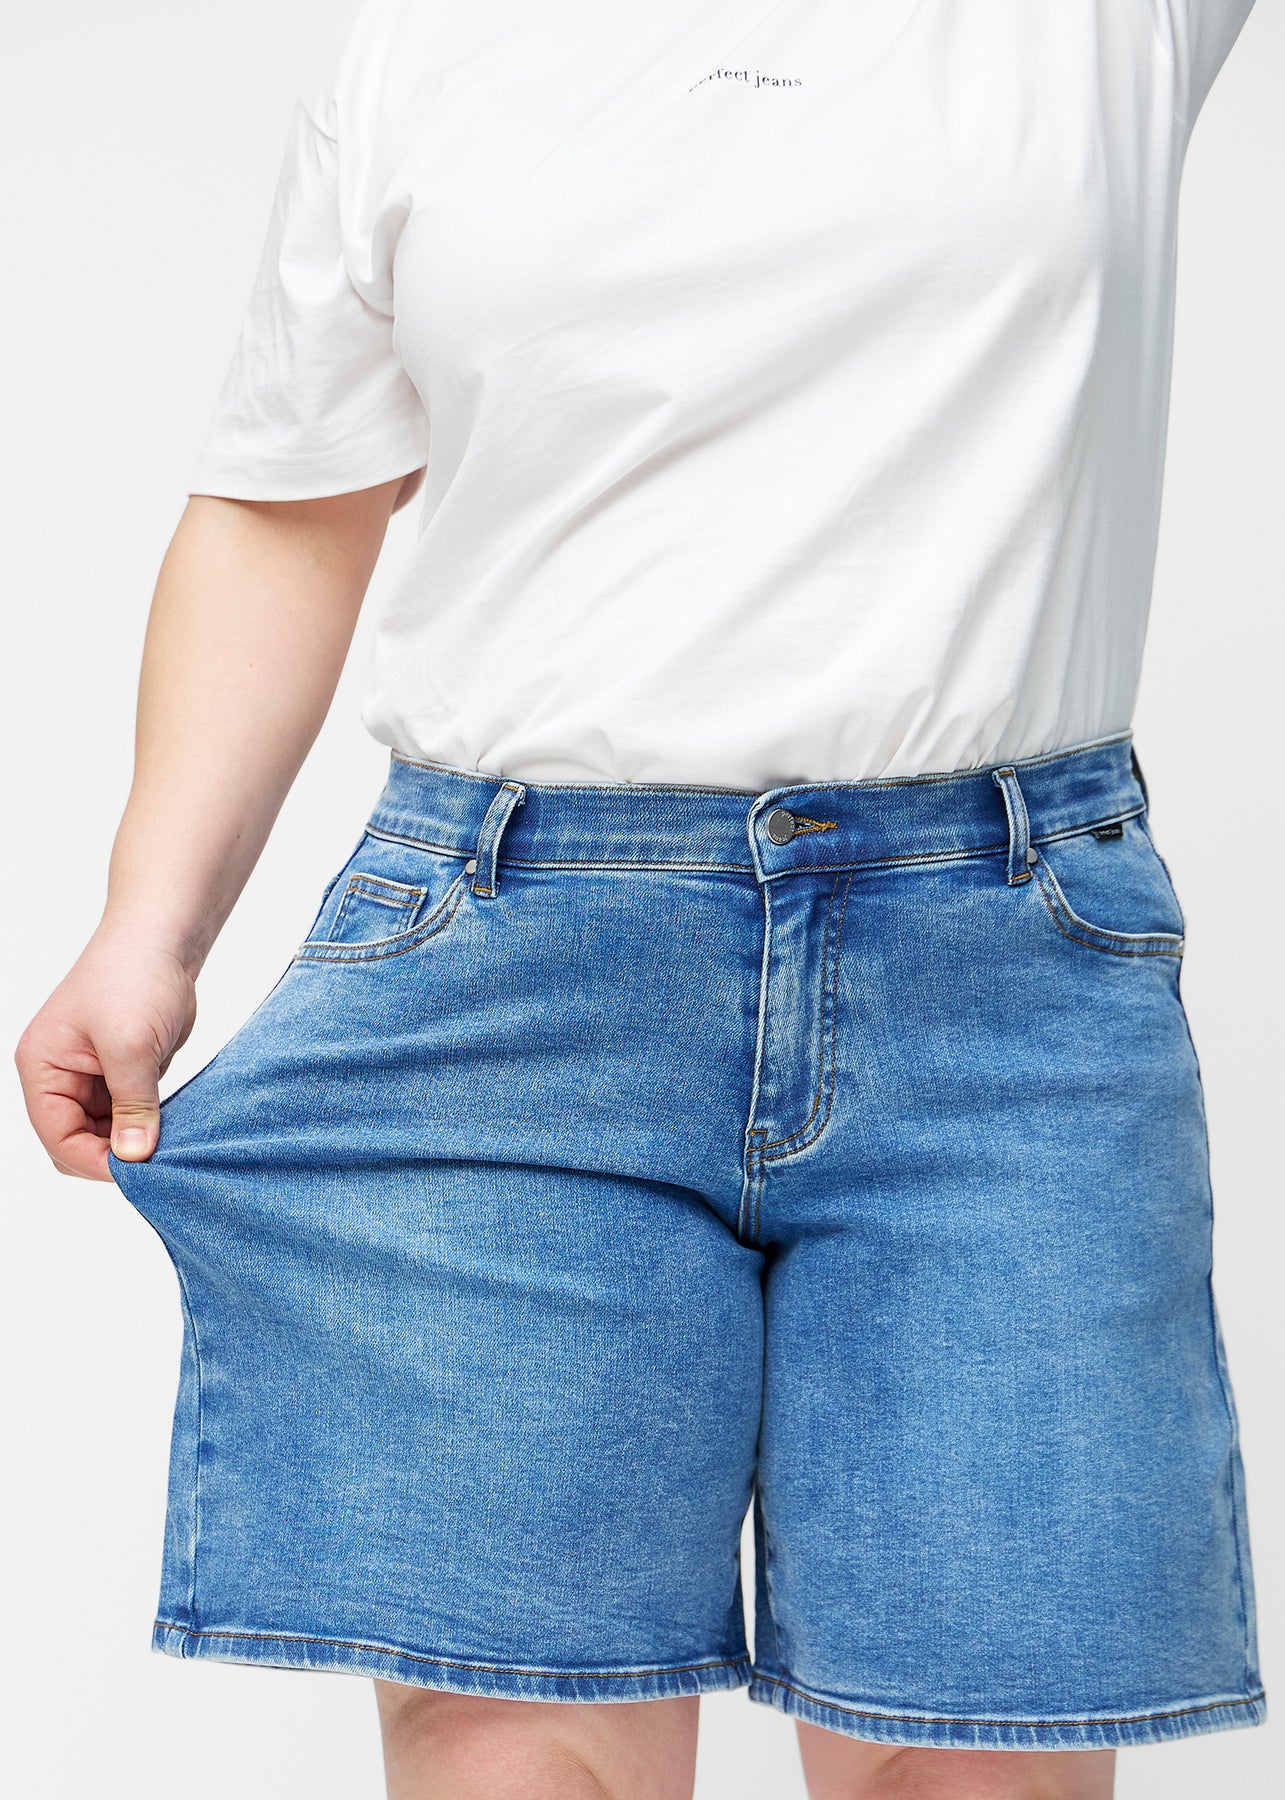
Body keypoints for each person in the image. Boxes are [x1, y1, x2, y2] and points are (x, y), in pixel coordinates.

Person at [14, 4, 1268, 1797]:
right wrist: (150, 926)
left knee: (974, 1755)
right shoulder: (427, 50)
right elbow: (291, 504)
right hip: (503, 981)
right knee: (516, 1739)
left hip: (999, 989)